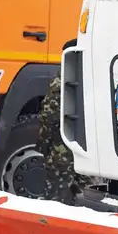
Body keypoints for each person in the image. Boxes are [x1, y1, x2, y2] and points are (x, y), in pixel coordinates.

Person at [37, 72, 93, 202]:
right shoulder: (100, 74)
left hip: (63, 151)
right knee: (88, 203)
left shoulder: (65, 77)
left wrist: (43, 144)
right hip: (91, 152)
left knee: (56, 201)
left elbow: (49, 114)